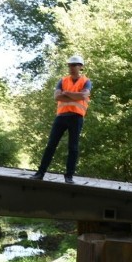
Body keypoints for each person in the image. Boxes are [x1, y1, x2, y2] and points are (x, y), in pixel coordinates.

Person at [30, 55, 92, 184]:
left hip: (76, 117)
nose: (71, 67)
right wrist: (75, 96)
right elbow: (57, 97)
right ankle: (40, 173)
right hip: (61, 117)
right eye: (69, 65)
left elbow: (84, 95)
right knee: (51, 145)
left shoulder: (86, 81)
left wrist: (67, 93)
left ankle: (69, 177)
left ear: (81, 66)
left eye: (74, 65)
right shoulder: (62, 81)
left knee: (73, 147)